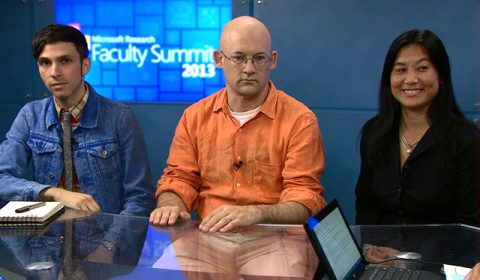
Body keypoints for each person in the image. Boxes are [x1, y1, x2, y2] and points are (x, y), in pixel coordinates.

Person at [150, 16, 326, 233]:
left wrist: (257, 213)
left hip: (275, 239)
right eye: (239, 58)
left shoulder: (300, 120)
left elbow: (305, 200)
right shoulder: (194, 117)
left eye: (259, 58)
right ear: (219, 59)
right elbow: (178, 179)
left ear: (272, 60)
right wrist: (171, 206)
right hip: (210, 236)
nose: (249, 68)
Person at [0, 24, 155, 256]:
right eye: (45, 63)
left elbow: (140, 196)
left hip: (102, 245)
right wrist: (52, 192)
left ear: (85, 65)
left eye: (65, 61)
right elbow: (2, 177)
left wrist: (110, 246)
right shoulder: (30, 115)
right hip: (45, 247)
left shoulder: (119, 117)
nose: (54, 72)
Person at [355, 29, 480, 226]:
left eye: (422, 68)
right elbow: (366, 206)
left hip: (444, 255)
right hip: (381, 254)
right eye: (401, 70)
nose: (411, 79)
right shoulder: (374, 132)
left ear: (442, 76)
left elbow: (470, 224)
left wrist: (411, 256)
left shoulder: (466, 138)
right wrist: (370, 247)